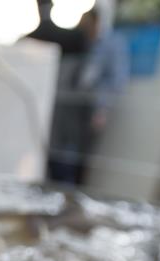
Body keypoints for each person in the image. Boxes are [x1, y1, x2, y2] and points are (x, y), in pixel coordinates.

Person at [47, 8, 130, 185]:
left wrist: (102, 109)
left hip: (91, 107)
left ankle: (75, 190)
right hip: (69, 105)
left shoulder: (112, 43)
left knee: (81, 157)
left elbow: (116, 79)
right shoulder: (81, 42)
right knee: (60, 151)